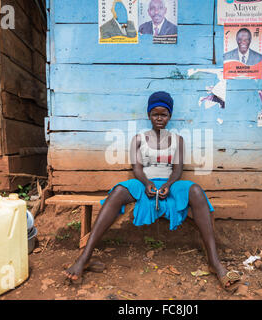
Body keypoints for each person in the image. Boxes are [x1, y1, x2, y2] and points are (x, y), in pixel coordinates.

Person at [63, 91, 241, 292]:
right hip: (144, 181)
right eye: (155, 114)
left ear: (170, 116)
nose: (159, 118)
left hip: (169, 183)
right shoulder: (138, 139)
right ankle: (84, 257)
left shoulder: (178, 140)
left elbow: (177, 170)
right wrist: (147, 183)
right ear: (148, 114)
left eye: (163, 114)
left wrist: (169, 184)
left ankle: (214, 261)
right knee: (119, 191)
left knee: (197, 192)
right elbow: (137, 168)